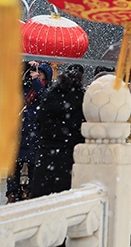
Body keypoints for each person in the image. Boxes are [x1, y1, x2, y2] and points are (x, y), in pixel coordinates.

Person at [30, 64, 85, 198]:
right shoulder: (82, 98)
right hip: (70, 155)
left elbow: (39, 121)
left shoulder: (50, 95)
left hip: (46, 153)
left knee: (42, 198)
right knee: (65, 197)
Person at [8, 61, 51, 201]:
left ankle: (31, 193)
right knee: (13, 167)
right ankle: (12, 193)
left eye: (40, 73)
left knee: (34, 168)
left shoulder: (47, 90)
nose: (37, 75)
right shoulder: (24, 87)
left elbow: (44, 98)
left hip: (35, 135)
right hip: (20, 133)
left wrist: (36, 82)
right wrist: (26, 66)